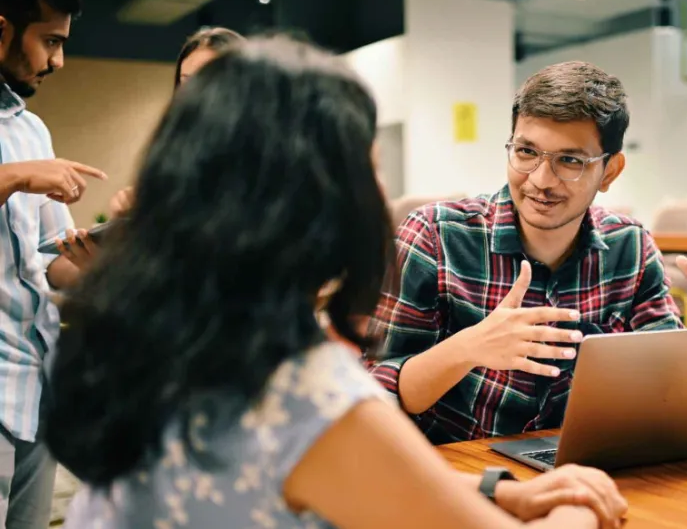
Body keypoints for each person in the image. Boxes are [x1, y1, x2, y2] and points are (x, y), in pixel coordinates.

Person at [49, 36, 629, 529]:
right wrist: (579, 508)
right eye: (369, 166)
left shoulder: (171, 341)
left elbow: (340, 473)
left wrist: (498, 490)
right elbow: (342, 451)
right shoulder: (306, 394)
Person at [369, 60, 687, 444]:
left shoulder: (629, 246)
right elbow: (376, 393)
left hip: (581, 466)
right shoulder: (436, 236)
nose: (541, 180)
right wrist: (469, 348)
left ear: (610, 171)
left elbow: (669, 390)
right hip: (457, 473)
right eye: (526, 152)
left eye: (569, 160)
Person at [0, 0, 107, 527]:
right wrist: (16, 176)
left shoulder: (30, 130)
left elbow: (49, 262)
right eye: (50, 41)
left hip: (36, 389)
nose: (58, 61)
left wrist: (96, 261)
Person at [107, 26, 244, 218]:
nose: (194, 92)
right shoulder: (173, 149)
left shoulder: (263, 152)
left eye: (207, 79)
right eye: (186, 81)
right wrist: (133, 214)